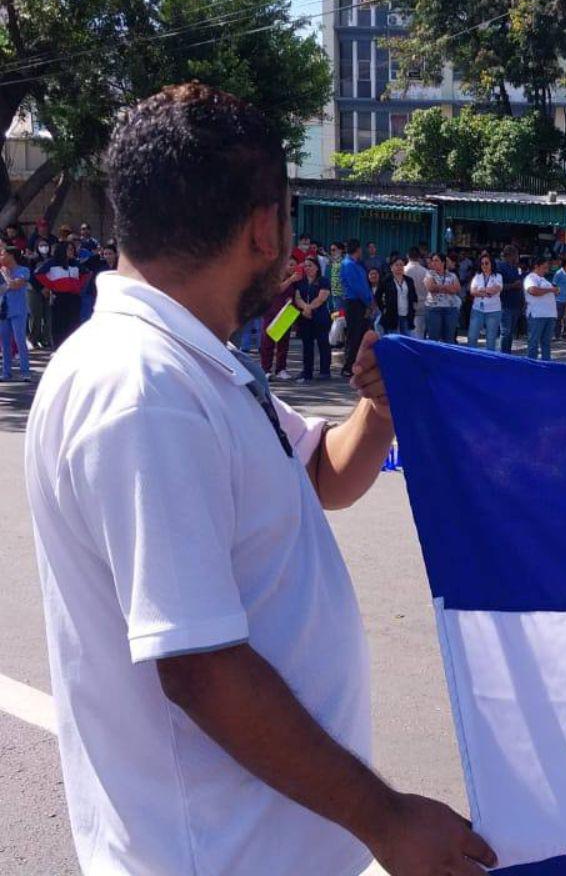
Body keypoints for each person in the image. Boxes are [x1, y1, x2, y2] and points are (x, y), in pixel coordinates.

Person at [26, 82, 496, 876]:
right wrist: (384, 818)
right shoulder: (144, 388)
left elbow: (321, 477)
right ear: (264, 225)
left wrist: (378, 411)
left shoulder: (194, 364)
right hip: (218, 857)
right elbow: (201, 667)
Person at [34, 241, 86, 348]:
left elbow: (86, 273)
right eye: (69, 249)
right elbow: (38, 274)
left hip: (74, 297)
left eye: (73, 249)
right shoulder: (52, 263)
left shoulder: (75, 263)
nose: (72, 251)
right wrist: (52, 285)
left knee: (74, 323)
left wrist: (79, 286)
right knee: (59, 323)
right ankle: (58, 347)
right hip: (59, 297)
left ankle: (73, 347)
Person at [293, 256, 332, 382]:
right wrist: (305, 308)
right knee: (307, 345)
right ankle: (307, 371)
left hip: (320, 316)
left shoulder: (323, 281)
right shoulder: (301, 281)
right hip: (305, 317)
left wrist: (309, 308)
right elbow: (297, 298)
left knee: (323, 343)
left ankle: (325, 371)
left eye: (310, 265)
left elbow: (322, 297)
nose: (307, 268)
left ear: (317, 267)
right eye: (305, 266)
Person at [339, 239, 374, 376]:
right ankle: (348, 366)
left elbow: (364, 285)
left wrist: (369, 299)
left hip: (361, 302)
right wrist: (368, 301)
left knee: (361, 335)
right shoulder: (348, 264)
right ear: (358, 249)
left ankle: (356, 364)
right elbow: (357, 287)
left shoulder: (356, 265)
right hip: (354, 303)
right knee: (354, 335)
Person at [0, 244, 32, 381]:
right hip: (3, 311)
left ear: (11, 256)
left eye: (3, 254)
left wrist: (7, 277)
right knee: (5, 343)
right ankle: (6, 372)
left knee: (20, 341)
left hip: (18, 310)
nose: (1, 257)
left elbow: (15, 285)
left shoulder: (23, 270)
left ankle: (25, 372)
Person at [523, 258, 558, 361]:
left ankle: (546, 364)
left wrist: (554, 291)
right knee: (533, 342)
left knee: (546, 343)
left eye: (547, 268)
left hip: (549, 315)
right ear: (536, 266)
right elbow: (532, 290)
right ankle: (531, 365)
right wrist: (550, 290)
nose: (546, 270)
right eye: (544, 268)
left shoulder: (545, 280)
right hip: (537, 315)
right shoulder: (530, 278)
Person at [467, 251, 503, 351]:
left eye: (487, 263)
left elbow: (495, 290)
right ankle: (470, 358)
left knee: (491, 340)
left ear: (492, 264)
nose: (484, 265)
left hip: (493, 311)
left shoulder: (498, 276)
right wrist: (487, 292)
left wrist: (481, 290)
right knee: (472, 337)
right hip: (477, 310)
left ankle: (489, 363)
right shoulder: (477, 276)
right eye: (482, 263)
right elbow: (472, 291)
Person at [422, 252, 460, 344]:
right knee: (433, 338)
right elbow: (431, 288)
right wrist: (448, 287)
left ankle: (447, 358)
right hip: (433, 309)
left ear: (443, 263)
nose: (433, 263)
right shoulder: (428, 274)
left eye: (436, 260)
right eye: (432, 261)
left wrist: (438, 286)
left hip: (450, 309)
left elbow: (456, 289)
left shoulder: (452, 275)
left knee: (449, 339)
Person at [376, 257, 416, 338]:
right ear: (391, 267)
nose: (399, 267)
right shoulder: (386, 280)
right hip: (392, 315)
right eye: (396, 265)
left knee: (407, 340)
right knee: (395, 340)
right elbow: (377, 296)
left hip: (406, 315)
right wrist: (383, 308)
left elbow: (414, 296)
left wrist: (414, 307)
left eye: (401, 265)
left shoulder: (409, 280)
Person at [25, 236, 53, 349]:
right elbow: (31, 276)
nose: (44, 248)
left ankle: (46, 339)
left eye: (46, 245)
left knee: (48, 316)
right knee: (36, 316)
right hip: (34, 290)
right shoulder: (32, 260)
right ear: (37, 247)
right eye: (41, 245)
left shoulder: (53, 259)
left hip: (50, 290)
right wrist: (41, 288)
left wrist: (49, 288)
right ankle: (34, 340)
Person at [497, 244, 523, 353]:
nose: (517, 257)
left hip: (516, 304)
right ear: (511, 255)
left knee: (511, 332)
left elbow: (520, 281)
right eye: (516, 255)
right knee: (505, 332)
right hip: (505, 304)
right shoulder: (500, 266)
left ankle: (508, 354)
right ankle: (503, 354)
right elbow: (498, 286)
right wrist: (513, 285)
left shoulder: (517, 268)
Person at [404, 246, 429, 339]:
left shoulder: (403, 270)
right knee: (420, 336)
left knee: (406, 335)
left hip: (406, 306)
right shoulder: (425, 272)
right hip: (421, 306)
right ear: (419, 257)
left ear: (407, 256)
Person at [552, 255, 566, 339]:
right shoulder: (558, 273)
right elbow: (554, 285)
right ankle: (557, 335)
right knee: (558, 318)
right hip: (559, 300)